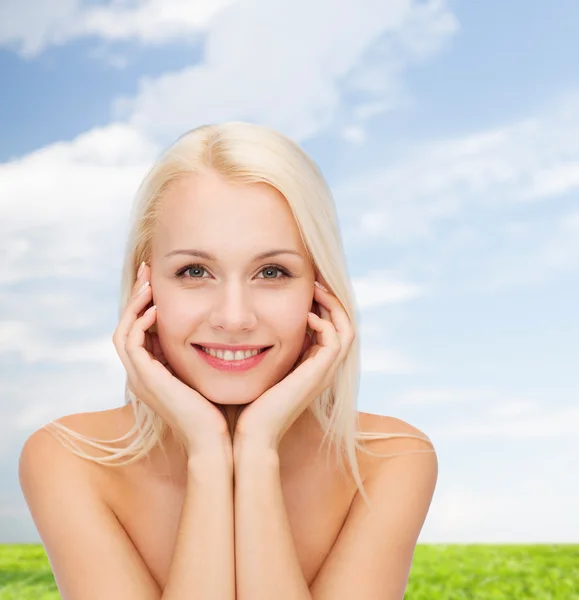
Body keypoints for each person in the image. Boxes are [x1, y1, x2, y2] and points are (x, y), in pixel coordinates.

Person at [18, 121, 438, 600]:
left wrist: (257, 451)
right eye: (194, 271)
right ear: (145, 285)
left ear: (320, 292)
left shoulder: (391, 458)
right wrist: (208, 452)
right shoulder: (69, 458)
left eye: (272, 272)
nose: (234, 318)